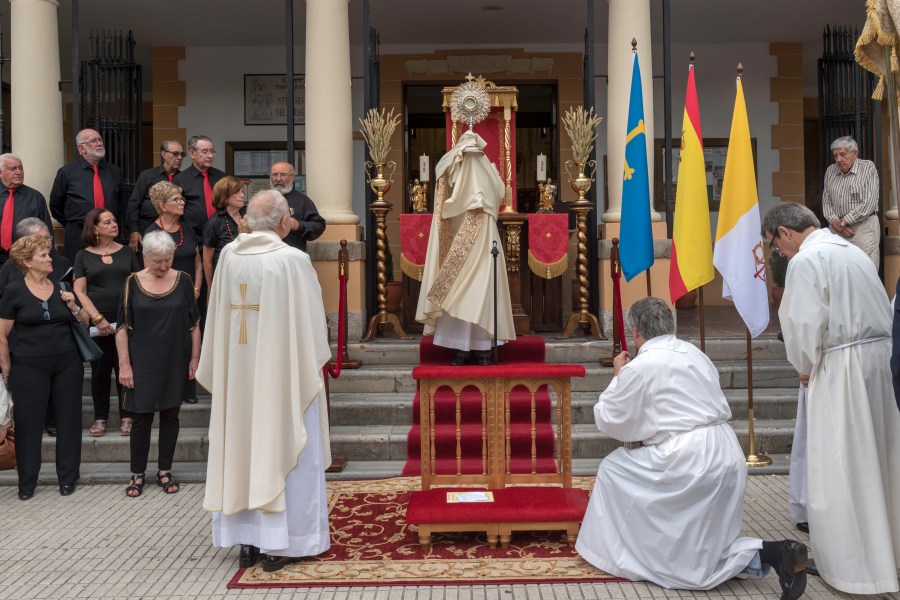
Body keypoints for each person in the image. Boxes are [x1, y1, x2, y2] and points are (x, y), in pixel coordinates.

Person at [575, 297, 808, 600]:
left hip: (687, 458)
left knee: (614, 469)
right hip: (727, 451)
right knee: (703, 543)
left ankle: (622, 552)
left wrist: (618, 376)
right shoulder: (696, 353)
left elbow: (611, 419)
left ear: (635, 332)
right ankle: (777, 553)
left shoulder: (641, 366)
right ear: (669, 324)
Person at [762, 202, 900, 595]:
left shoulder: (807, 261)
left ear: (786, 232)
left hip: (842, 369)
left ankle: (852, 567)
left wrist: (805, 365)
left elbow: (804, 324)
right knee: (881, 461)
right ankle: (890, 555)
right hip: (878, 362)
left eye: (775, 245)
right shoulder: (852, 252)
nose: (778, 253)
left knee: (841, 465)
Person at [199, 189, 332, 573]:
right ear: (283, 220)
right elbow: (311, 327)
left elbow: (218, 317)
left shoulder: (228, 257)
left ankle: (248, 541)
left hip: (238, 379)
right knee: (287, 446)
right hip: (283, 379)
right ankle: (286, 543)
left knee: (242, 448)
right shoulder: (292, 260)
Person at [0, 234, 90, 500]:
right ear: (27, 262)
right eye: (43, 255)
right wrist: (6, 368)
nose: (50, 259)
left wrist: (73, 305)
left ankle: (68, 478)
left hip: (68, 363)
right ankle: (27, 482)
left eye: (48, 254)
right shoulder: (14, 291)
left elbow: (85, 322)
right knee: (29, 424)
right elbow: (1, 334)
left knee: (69, 421)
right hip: (29, 366)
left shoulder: (62, 287)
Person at [414, 129, 515, 366]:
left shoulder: (473, 165)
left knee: (479, 288)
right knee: (465, 287)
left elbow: (455, 197)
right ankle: (464, 348)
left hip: (481, 236)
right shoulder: (477, 166)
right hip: (465, 232)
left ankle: (480, 348)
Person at [116, 231, 200, 498]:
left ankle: (165, 470)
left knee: (171, 415)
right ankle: (137, 472)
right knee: (141, 418)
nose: (164, 266)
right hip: (142, 361)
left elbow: (194, 325)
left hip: (175, 358)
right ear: (145, 257)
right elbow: (121, 327)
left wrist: (195, 359)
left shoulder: (183, 280)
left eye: (168, 260)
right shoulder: (132, 282)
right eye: (157, 261)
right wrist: (124, 365)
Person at [0, 218, 73, 438]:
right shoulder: (9, 268)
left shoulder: (60, 262)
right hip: (21, 340)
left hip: (58, 346)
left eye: (48, 237)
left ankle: (52, 420)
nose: (47, 242)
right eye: (41, 238)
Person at [73, 208, 141, 437]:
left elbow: (138, 283)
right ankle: (100, 417)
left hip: (126, 321)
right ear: (94, 228)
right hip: (98, 323)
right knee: (100, 373)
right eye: (107, 222)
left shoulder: (128, 252)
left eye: (114, 220)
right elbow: (79, 291)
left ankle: (128, 416)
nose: (114, 224)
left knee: (126, 367)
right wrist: (98, 318)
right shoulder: (83, 255)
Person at [144, 181, 202, 405]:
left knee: (188, 340)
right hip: (164, 296)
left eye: (182, 198)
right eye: (176, 199)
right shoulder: (152, 232)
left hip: (189, 294)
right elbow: (148, 268)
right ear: (162, 205)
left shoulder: (187, 229)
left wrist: (196, 288)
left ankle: (188, 388)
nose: (182, 202)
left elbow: (197, 262)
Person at [50, 129, 126, 263]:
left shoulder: (114, 171)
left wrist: (108, 222)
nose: (99, 143)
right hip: (78, 235)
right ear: (81, 148)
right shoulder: (67, 172)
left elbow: (122, 203)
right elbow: (56, 205)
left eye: (100, 140)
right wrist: (76, 223)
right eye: (93, 141)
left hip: (109, 236)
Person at [821, 136, 880, 266]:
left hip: (863, 228)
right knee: (837, 269)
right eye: (835, 156)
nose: (838, 159)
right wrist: (837, 224)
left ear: (855, 153)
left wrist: (844, 222)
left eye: (843, 155)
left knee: (865, 268)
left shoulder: (868, 168)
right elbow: (826, 202)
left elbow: (869, 202)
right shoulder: (830, 170)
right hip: (836, 230)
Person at [126, 140, 185, 253]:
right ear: (164, 154)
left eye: (182, 154)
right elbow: (134, 204)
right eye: (175, 154)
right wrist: (134, 230)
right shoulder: (147, 175)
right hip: (148, 228)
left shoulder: (184, 178)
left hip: (175, 229)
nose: (179, 158)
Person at [0, 154, 53, 265]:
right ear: (1, 173)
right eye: (13, 169)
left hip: (26, 258)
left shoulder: (36, 197)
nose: (18, 172)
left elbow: (47, 231)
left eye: (21, 168)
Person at [172, 135, 226, 239]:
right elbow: (174, 211)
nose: (210, 155)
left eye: (212, 151)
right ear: (192, 153)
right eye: (205, 152)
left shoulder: (222, 177)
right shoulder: (180, 180)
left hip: (221, 235)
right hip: (192, 236)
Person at [269, 161, 325, 252]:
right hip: (266, 254)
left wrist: (298, 225)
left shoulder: (302, 200)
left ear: (293, 178)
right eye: (275, 175)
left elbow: (319, 226)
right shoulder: (261, 199)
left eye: (283, 175)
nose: (278, 179)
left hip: (293, 254)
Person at [201, 176, 245, 290]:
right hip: (225, 280)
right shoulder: (214, 222)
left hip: (248, 275)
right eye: (237, 192)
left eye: (242, 191)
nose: (242, 195)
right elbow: (207, 262)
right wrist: (211, 289)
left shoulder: (248, 216)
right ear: (224, 197)